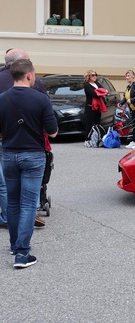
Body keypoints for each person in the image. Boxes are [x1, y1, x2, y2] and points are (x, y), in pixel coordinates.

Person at [0, 59, 58, 268]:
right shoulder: (41, 99)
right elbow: (53, 131)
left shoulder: (2, 99)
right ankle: (22, 254)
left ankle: (15, 245)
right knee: (27, 205)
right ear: (29, 75)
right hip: (33, 155)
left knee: (12, 202)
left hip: (8, 155)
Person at [0, 49, 48, 229]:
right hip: (31, 144)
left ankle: (8, 220)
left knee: (5, 187)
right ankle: (22, 245)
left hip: (7, 145)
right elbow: (50, 125)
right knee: (29, 192)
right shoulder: (35, 84)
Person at [118, 70, 135, 149]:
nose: (127, 77)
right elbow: (126, 97)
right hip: (133, 109)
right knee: (134, 126)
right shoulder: (129, 86)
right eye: (126, 76)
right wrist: (121, 103)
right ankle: (134, 141)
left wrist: (132, 100)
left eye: (129, 76)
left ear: (133, 76)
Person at [83, 69, 107, 140]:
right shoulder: (87, 85)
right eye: (93, 75)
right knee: (89, 123)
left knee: (97, 123)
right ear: (89, 76)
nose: (94, 77)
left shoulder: (97, 83)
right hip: (90, 107)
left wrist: (101, 92)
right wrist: (101, 92)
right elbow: (94, 94)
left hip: (98, 106)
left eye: (95, 75)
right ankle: (87, 139)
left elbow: (104, 91)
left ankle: (97, 137)